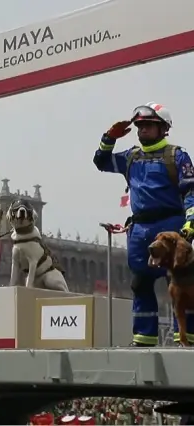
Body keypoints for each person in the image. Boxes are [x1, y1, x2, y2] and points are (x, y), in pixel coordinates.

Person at [93, 102, 194, 347]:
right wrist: (109, 137)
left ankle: (187, 339)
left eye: (148, 125)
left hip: (171, 227)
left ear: (163, 128)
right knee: (141, 284)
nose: (142, 130)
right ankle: (144, 340)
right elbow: (101, 161)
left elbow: (191, 191)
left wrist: (190, 224)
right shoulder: (131, 157)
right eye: (140, 126)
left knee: (182, 286)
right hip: (139, 231)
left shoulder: (176, 156)